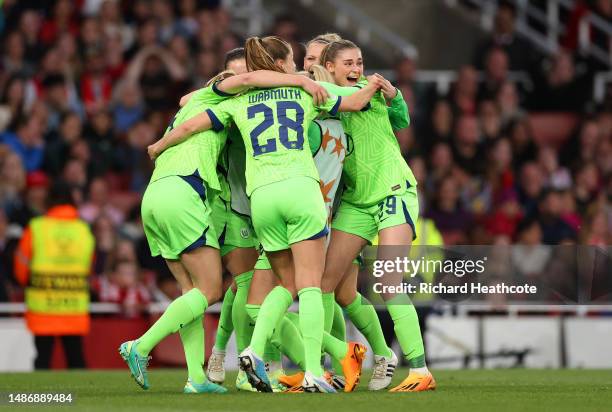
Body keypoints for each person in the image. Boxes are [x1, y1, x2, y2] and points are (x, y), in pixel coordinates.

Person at [147, 35, 383, 393]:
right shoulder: (305, 90)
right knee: (309, 286)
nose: (297, 67)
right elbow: (356, 102)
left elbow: (191, 118)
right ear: (280, 65)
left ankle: (254, 352)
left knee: (281, 284)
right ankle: (315, 371)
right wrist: (378, 85)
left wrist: (160, 144)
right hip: (302, 191)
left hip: (261, 201)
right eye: (291, 61)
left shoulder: (236, 101)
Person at [119, 66, 331, 394]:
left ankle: (196, 377)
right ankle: (142, 346)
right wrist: (302, 80)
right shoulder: (221, 105)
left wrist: (159, 146)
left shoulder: (193, 102)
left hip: (155, 195)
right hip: (186, 191)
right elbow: (238, 91)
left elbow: (186, 100)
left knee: (191, 294)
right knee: (210, 291)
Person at [318, 39, 436, 392]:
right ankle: (328, 366)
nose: (356, 68)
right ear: (332, 67)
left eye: (360, 61)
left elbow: (402, 120)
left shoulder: (369, 90)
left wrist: (394, 94)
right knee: (323, 284)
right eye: (349, 63)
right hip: (356, 202)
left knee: (388, 283)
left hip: (392, 191)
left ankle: (420, 370)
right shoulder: (328, 95)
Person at [14, 180, 95, 369]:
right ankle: (84, 398)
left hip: (43, 306)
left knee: (42, 359)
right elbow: (89, 267)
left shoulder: (36, 227)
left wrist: (30, 283)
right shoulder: (83, 229)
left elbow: (20, 267)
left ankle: (42, 398)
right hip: (73, 305)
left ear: (49, 199)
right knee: (76, 358)